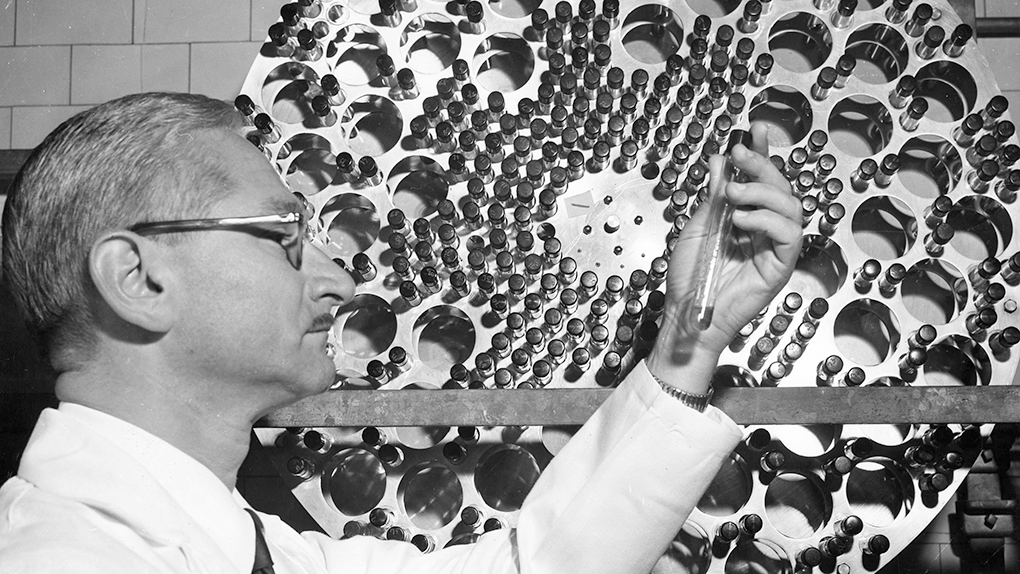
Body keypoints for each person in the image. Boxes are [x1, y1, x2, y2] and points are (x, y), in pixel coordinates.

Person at [0, 92, 802, 573]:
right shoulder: (59, 557)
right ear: (140, 281)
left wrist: (692, 336)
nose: (336, 279)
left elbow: (533, 567)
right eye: (283, 232)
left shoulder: (261, 550)